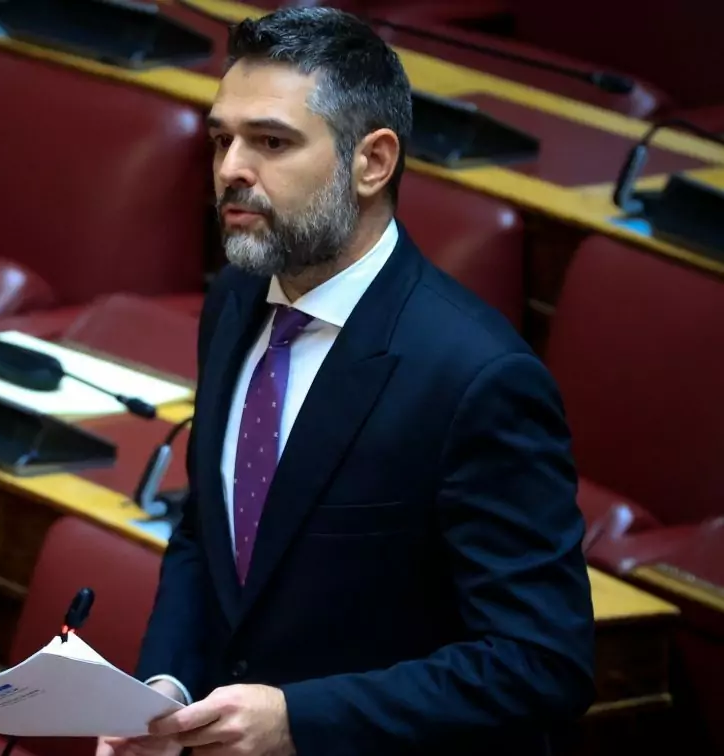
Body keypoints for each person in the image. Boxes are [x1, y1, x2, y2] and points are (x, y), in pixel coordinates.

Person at [96, 7, 595, 756]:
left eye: (271, 142)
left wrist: (301, 721)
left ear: (373, 162)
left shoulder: (476, 378)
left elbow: (541, 663)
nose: (231, 168)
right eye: (222, 139)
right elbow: (210, 532)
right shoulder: (236, 299)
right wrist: (166, 691)